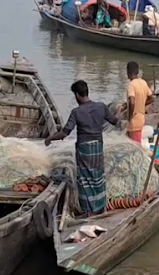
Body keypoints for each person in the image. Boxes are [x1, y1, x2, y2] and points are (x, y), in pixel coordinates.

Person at [44, 80, 120, 216]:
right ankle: (100, 207)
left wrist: (50, 138)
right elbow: (114, 121)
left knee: (85, 180)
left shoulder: (76, 112)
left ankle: (88, 210)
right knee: (97, 176)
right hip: (97, 147)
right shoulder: (101, 107)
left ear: (78, 95)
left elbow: (65, 132)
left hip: (84, 150)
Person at [125, 61, 154, 143]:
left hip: (134, 121)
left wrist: (129, 118)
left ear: (127, 72)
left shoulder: (131, 85)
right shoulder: (143, 83)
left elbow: (132, 103)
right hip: (141, 119)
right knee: (131, 143)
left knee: (136, 147)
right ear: (138, 72)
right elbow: (152, 98)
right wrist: (142, 103)